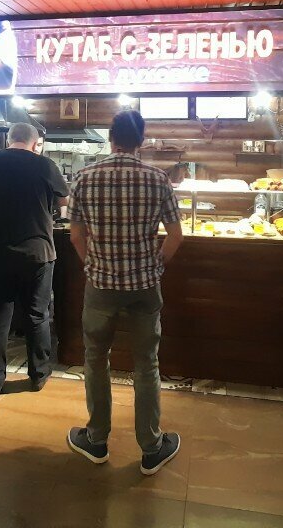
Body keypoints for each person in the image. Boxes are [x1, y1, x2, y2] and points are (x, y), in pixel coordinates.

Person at [66, 110, 184, 476]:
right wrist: (155, 265)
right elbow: (176, 235)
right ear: (141, 140)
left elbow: (76, 235)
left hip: (101, 286)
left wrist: (93, 264)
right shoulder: (158, 179)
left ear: (110, 138)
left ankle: (96, 439)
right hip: (144, 286)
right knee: (146, 363)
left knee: (95, 359)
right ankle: (151, 447)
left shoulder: (84, 178)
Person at [0, 122, 69, 404]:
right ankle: (38, 375)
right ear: (35, 143)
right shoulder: (44, 165)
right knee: (37, 315)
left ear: (9, 139)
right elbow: (64, 200)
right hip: (37, 253)